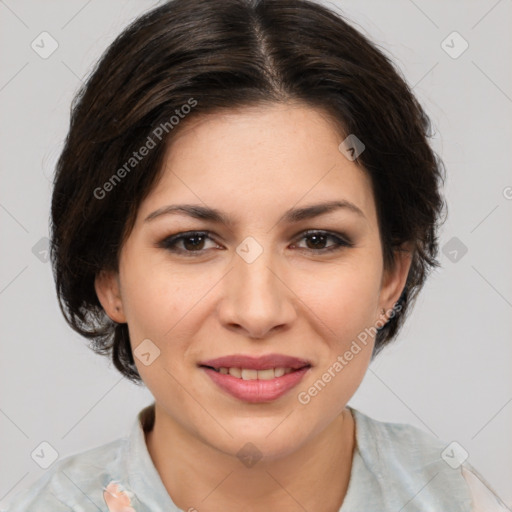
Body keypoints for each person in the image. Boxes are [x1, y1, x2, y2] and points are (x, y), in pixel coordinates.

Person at [4, 0, 508, 510]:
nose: (257, 312)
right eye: (192, 241)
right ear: (109, 278)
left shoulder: (462, 498)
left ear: (391, 277)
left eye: (317, 240)